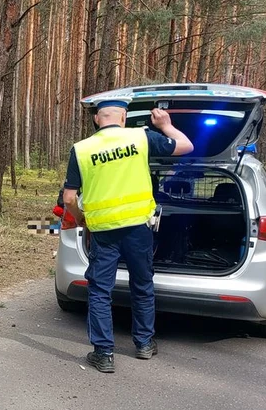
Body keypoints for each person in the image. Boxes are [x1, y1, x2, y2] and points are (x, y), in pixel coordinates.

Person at [62, 98, 193, 374]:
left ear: (97, 119)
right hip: (137, 228)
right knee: (142, 285)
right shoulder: (141, 137)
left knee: (100, 291)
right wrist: (166, 125)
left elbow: (69, 197)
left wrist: (80, 217)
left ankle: (104, 353)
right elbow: (186, 146)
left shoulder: (82, 149)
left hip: (103, 232)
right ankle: (144, 344)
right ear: (123, 117)